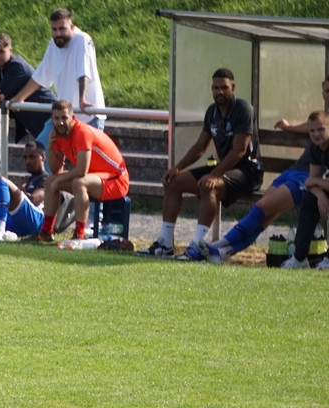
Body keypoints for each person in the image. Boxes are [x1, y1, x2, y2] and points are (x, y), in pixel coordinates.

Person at [179, 78, 329, 264]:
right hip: (293, 172)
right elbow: (313, 125)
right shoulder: (322, 118)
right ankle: (221, 254)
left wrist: (317, 187)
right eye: (327, 91)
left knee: (261, 208)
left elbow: (315, 170)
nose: (316, 134)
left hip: (303, 180)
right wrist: (290, 127)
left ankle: (216, 246)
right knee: (264, 216)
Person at [139, 67, 262, 258]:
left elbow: (239, 151)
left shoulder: (243, 109)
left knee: (209, 186)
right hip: (225, 169)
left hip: (248, 171)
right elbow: (200, 147)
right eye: (216, 88)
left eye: (224, 88)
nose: (220, 92)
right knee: (173, 182)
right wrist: (177, 168)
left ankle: (197, 246)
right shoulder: (212, 112)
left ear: (233, 87)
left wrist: (214, 174)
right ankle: (165, 244)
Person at [5, 8, 106, 155]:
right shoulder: (53, 45)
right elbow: (40, 75)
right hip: (63, 116)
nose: (58, 34)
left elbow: (84, 73)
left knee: (89, 163)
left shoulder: (82, 40)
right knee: (40, 152)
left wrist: (82, 99)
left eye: (62, 29)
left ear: (71, 26)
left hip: (88, 115)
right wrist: (20, 97)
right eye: (54, 29)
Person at [35, 99, 128, 241]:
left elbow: (81, 171)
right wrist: (51, 146)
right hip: (95, 177)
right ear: (52, 119)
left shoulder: (82, 132)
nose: (60, 122)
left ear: (72, 118)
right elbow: (56, 170)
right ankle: (46, 232)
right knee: (50, 180)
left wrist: (59, 180)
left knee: (79, 183)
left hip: (117, 178)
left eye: (64, 118)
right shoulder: (58, 134)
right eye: (57, 118)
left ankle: (79, 234)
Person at [0, 141, 75, 239]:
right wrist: (2, 207)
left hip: (35, 220)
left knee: (1, 181)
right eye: (25, 157)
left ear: (43, 157)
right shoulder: (28, 179)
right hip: (15, 221)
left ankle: (0, 230)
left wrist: (21, 188)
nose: (28, 161)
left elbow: (34, 199)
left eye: (32, 157)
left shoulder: (46, 179)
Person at [0, 33, 55, 144]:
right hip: (35, 121)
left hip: (49, 117)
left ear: (11, 50)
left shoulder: (17, 67)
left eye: (1, 51)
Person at [276, 111, 329, 269]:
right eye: (312, 131)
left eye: (321, 129)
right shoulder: (315, 148)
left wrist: (316, 182)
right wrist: (320, 195)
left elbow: (313, 180)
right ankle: (299, 258)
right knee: (309, 199)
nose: (316, 134)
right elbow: (310, 181)